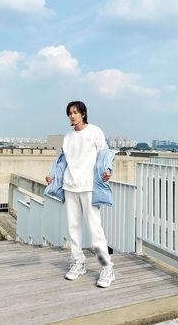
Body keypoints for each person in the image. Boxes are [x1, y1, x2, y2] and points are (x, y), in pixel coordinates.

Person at [45, 101, 115, 288]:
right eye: (69, 113)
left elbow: (105, 154)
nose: (72, 116)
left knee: (95, 229)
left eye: (75, 112)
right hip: (70, 186)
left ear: (83, 113)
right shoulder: (68, 137)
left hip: (88, 187)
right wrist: (52, 176)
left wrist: (108, 170)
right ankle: (78, 263)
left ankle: (107, 267)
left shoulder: (95, 131)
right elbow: (62, 161)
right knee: (73, 228)